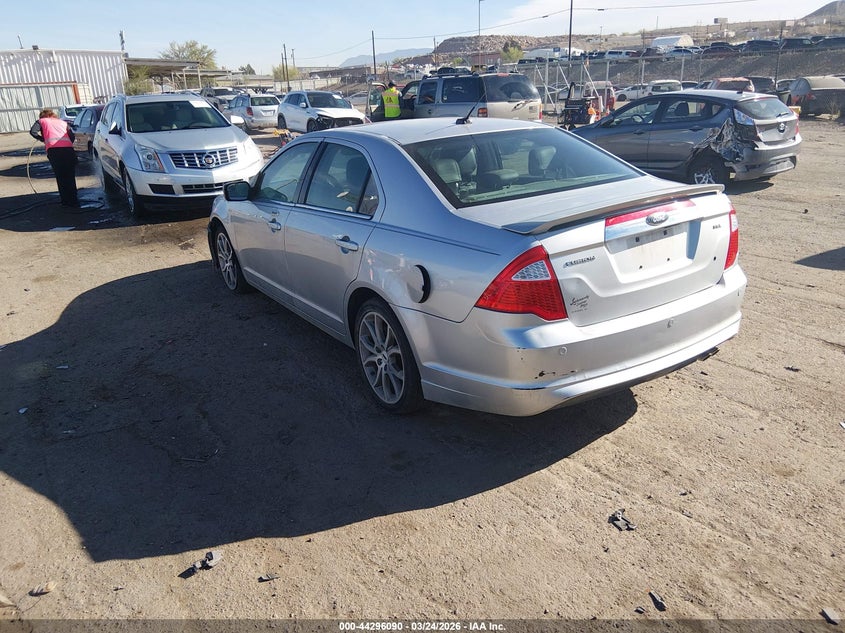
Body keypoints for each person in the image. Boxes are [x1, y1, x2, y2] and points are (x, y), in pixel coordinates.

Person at [29, 108, 78, 207]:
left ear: (43, 116)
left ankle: (65, 201)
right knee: (70, 176)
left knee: (61, 176)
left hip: (54, 151)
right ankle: (74, 201)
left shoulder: (41, 121)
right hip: (68, 151)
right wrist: (67, 144)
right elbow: (72, 136)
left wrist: (42, 139)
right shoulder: (62, 122)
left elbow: (33, 132)